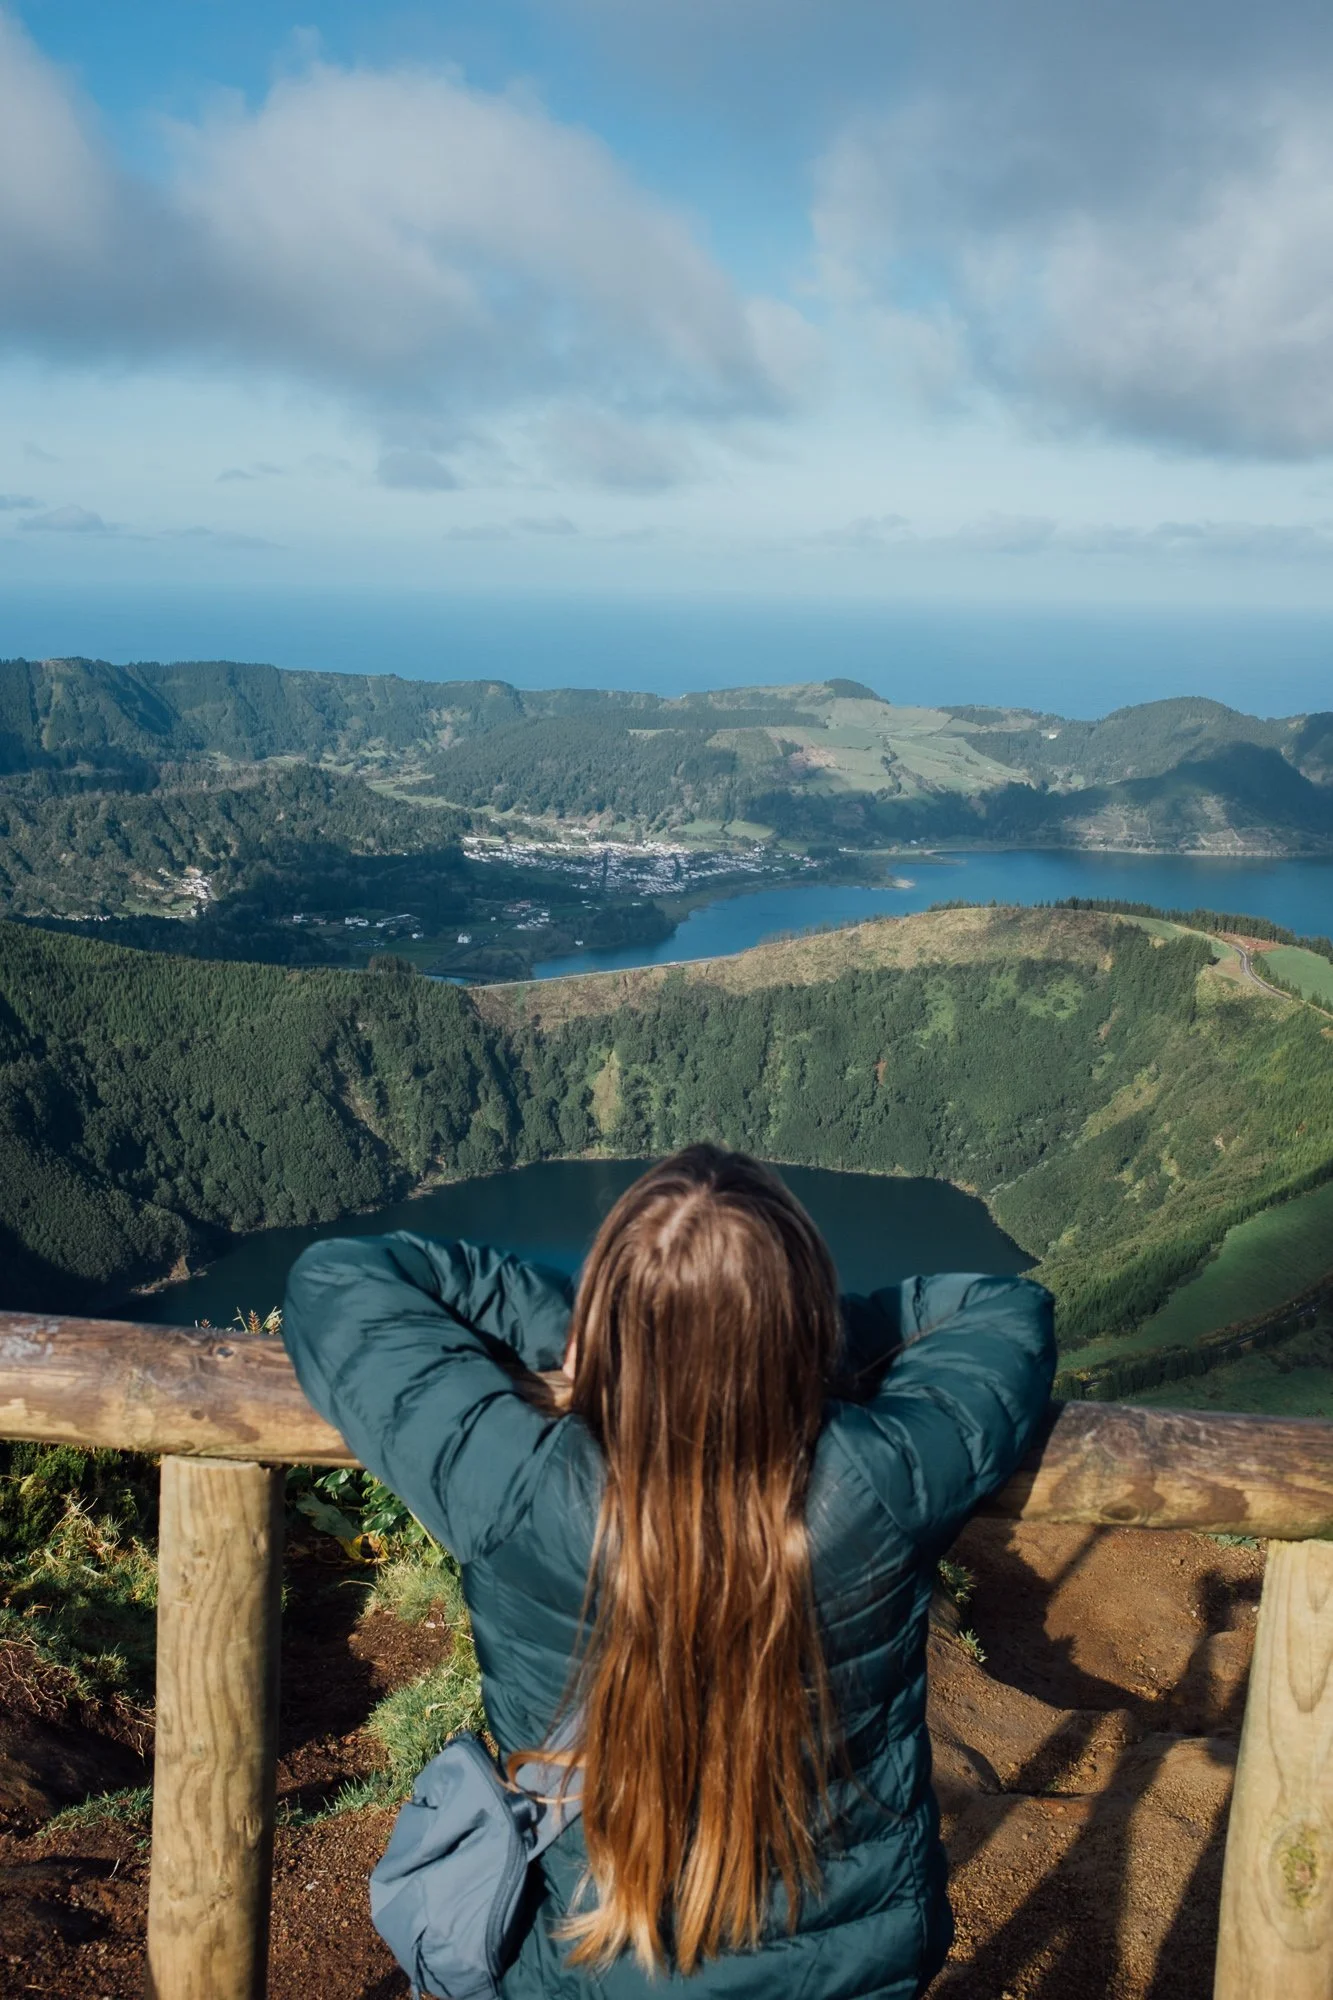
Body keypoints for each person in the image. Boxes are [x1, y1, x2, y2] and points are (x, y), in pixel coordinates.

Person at [283, 1145, 1055, 1998]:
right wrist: (787, 1347)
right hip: (849, 1969)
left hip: (591, 1968)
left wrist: (602, 1336)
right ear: (798, 1322)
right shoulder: (886, 1480)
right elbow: (1002, 1311)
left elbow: (338, 1280)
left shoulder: (513, 1482)